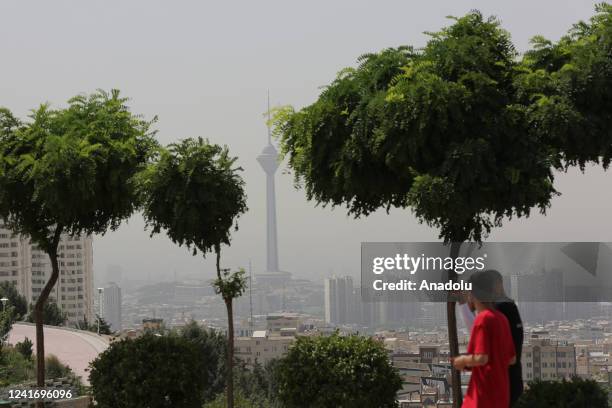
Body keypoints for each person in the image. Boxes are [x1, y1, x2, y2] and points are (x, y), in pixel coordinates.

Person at [457, 270, 524, 407]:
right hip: (508, 383)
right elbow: (511, 356)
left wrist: (463, 360)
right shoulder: (508, 310)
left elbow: (482, 354)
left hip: (492, 388)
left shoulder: (494, 313)